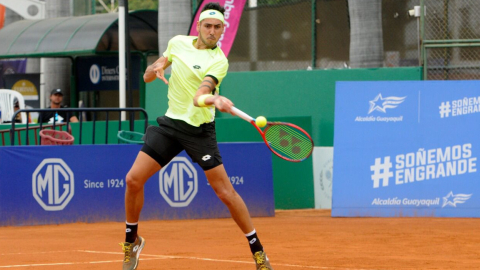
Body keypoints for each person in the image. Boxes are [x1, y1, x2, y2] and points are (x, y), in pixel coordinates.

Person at [119, 3, 274, 270]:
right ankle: (131, 241)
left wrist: (212, 98)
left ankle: (258, 251)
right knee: (133, 180)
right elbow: (149, 75)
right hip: (170, 125)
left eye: (217, 27)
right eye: (208, 26)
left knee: (225, 192)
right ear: (199, 26)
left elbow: (199, 94)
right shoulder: (178, 43)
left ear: (222, 30)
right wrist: (156, 66)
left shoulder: (219, 60)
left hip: (199, 132)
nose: (212, 31)